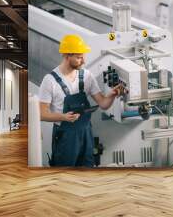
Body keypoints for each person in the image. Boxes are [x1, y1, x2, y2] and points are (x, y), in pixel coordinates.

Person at [39, 34, 124, 167]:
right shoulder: (50, 80)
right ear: (67, 56)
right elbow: (41, 113)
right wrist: (63, 117)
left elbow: (103, 104)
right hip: (65, 136)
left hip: (86, 134)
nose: (83, 61)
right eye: (79, 57)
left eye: (83, 56)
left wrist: (112, 95)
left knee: (87, 171)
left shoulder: (86, 76)